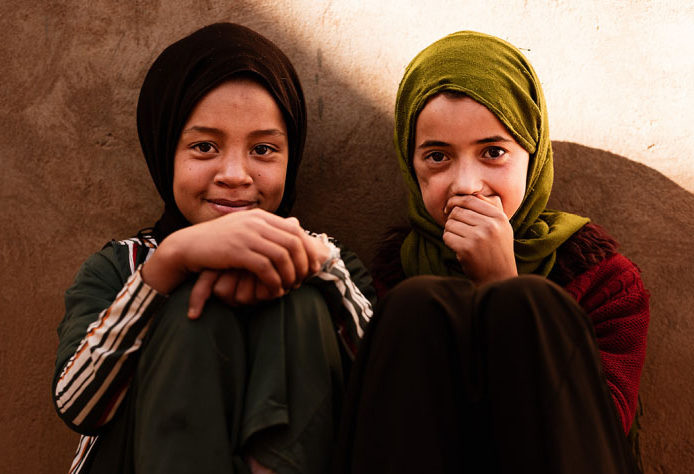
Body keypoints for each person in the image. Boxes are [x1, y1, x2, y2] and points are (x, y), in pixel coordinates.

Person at [52, 23, 375, 474]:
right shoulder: (123, 266)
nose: (235, 174)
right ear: (165, 149)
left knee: (299, 299)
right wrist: (165, 268)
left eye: (263, 149)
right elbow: (77, 405)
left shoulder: (327, 259)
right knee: (190, 306)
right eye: (204, 146)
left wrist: (320, 270)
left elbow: (387, 398)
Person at [334, 31, 649, 474]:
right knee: (420, 303)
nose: (466, 183)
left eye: (494, 152)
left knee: (531, 303)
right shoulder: (393, 280)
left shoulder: (605, 280)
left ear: (533, 154)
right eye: (438, 157)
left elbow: (602, 430)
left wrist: (501, 286)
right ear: (411, 165)